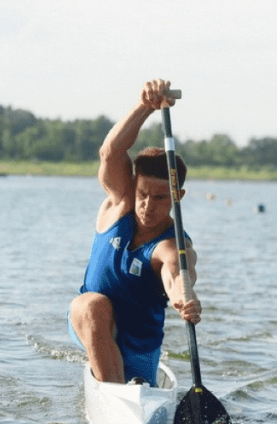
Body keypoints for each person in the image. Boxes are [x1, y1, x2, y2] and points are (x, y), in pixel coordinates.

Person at [68, 78, 201, 386]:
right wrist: (146, 106)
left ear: (177, 197)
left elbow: (177, 273)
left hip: (141, 349)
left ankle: (127, 387)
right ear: (134, 186)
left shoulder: (171, 243)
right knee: (89, 304)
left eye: (159, 197)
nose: (147, 205)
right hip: (94, 324)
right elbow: (111, 151)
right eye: (143, 194)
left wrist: (185, 297)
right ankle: (116, 391)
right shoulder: (120, 204)